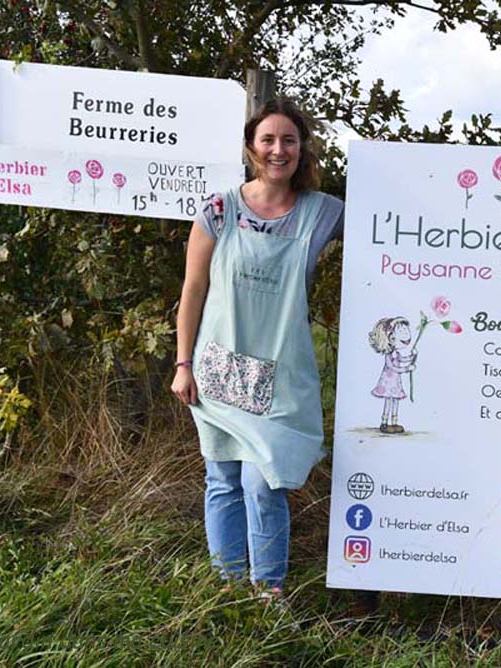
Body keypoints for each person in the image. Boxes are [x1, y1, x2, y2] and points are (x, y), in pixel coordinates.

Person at [170, 97, 343, 599]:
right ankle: (228, 592)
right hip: (218, 369)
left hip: (282, 373)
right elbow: (193, 292)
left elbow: (387, 234)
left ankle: (268, 592)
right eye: (268, 139)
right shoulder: (218, 211)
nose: (278, 149)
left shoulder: (324, 212)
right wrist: (183, 364)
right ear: (251, 147)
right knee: (222, 480)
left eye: (288, 139)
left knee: (264, 484)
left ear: (301, 148)